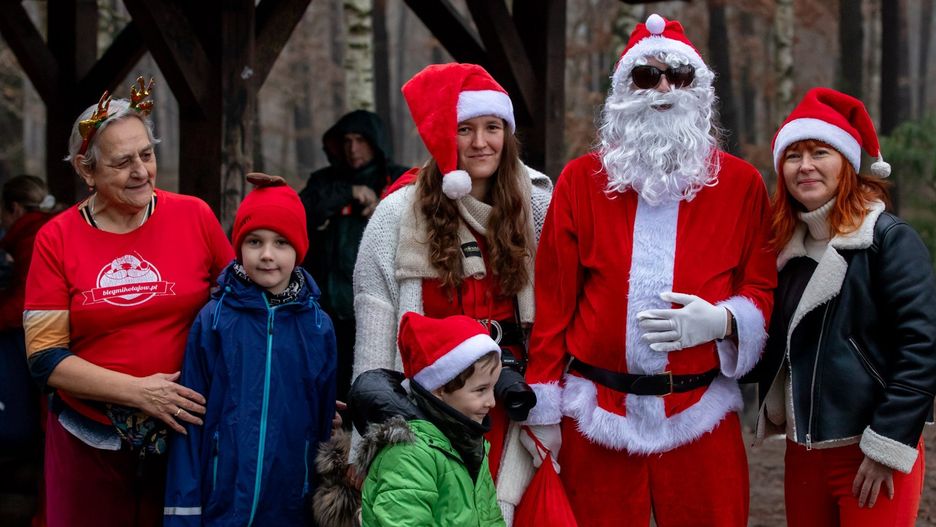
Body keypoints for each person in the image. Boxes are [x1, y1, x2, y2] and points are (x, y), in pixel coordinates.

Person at [522, 14, 777, 526]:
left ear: (698, 89)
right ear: (624, 90)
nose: (663, 88)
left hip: (700, 415)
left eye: (678, 75)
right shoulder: (581, 181)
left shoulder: (741, 184)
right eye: (646, 76)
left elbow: (762, 284)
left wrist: (724, 320)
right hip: (598, 416)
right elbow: (554, 303)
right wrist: (543, 405)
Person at [23, 78, 233, 527]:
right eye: (122, 162)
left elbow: (246, 309)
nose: (141, 171)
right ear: (87, 172)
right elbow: (45, 359)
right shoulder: (55, 238)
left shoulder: (194, 216)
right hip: (88, 438)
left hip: (185, 434)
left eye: (147, 154)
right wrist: (139, 392)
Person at [351, 62, 552, 523]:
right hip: (427, 414)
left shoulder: (539, 207)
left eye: (492, 127)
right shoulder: (396, 215)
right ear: (444, 135)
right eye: (465, 129)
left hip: (512, 403)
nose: (480, 142)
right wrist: (368, 444)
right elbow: (375, 341)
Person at [752, 87, 936, 526]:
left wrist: (887, 444)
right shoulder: (781, 253)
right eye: (793, 156)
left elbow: (923, 348)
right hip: (803, 452)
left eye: (820, 152)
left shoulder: (888, 240)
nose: (805, 166)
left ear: (847, 164)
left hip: (872, 450)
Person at [163, 173, 337, 526]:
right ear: (239, 246)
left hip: (290, 506)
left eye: (281, 243)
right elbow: (188, 421)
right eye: (255, 241)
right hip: (221, 502)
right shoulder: (214, 320)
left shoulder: (319, 328)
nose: (267, 255)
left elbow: (322, 430)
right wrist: (183, 514)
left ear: (299, 250)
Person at [349, 312, 505, 526]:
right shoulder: (409, 454)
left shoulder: (468, 443)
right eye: (481, 390)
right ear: (440, 388)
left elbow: (490, 518)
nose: (492, 402)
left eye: (493, 388)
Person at [299, 110, 408, 401]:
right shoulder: (324, 181)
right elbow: (300, 212)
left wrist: (384, 208)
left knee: (374, 390)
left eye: (360, 140)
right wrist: (349, 191)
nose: (352, 148)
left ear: (376, 142)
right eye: (346, 141)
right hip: (327, 311)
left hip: (380, 311)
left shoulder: (398, 179)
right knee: (327, 393)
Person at [0, 175, 56, 527]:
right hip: (54, 349)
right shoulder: (42, 231)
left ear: (15, 208)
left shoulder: (33, 238)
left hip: (51, 353)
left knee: (52, 436)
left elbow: (25, 301)